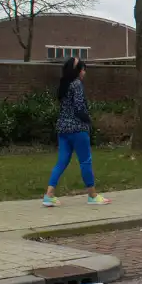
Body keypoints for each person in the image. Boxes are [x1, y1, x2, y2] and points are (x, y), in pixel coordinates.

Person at [43, 57, 110, 207]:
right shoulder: (77, 84)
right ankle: (92, 195)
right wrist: (88, 120)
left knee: (61, 161)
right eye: (83, 69)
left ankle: (49, 195)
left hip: (63, 128)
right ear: (78, 71)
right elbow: (79, 107)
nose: (84, 72)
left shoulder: (63, 85)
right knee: (85, 161)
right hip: (78, 129)